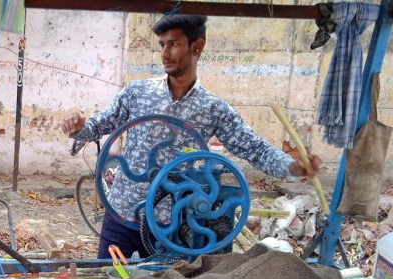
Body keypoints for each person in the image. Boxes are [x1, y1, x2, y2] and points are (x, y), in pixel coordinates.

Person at [62, 14, 322, 259]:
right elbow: (99, 124)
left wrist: (291, 167)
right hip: (122, 212)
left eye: (173, 44)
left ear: (196, 47)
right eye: (162, 45)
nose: (165, 54)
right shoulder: (137, 92)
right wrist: (79, 126)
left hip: (170, 223)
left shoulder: (212, 108)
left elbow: (255, 148)